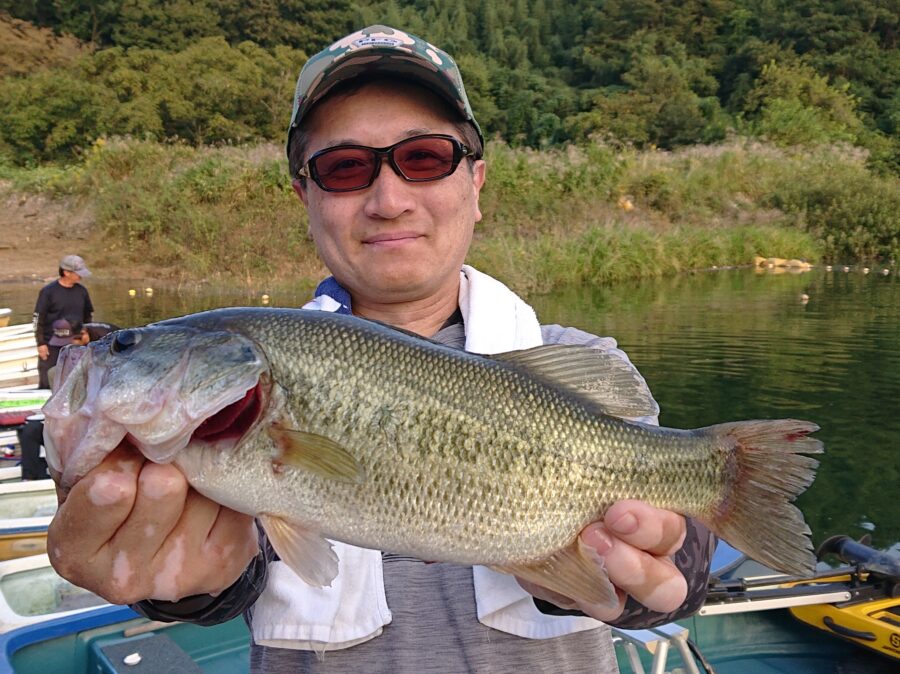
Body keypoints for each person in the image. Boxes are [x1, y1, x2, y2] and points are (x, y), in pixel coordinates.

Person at [47, 26, 714, 673]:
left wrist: (660, 569)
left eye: (424, 158)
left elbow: (681, 557)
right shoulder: (216, 428)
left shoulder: (574, 360)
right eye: (344, 169)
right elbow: (225, 576)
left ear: (475, 181)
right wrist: (177, 582)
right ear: (303, 195)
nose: (389, 200)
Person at [33, 254, 94, 389]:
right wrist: (41, 343)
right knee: (48, 381)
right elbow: (38, 319)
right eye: (78, 273)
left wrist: (87, 334)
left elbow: (88, 317)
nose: (80, 276)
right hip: (52, 345)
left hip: (76, 344)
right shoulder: (48, 292)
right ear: (66, 272)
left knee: (78, 380)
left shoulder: (82, 292)